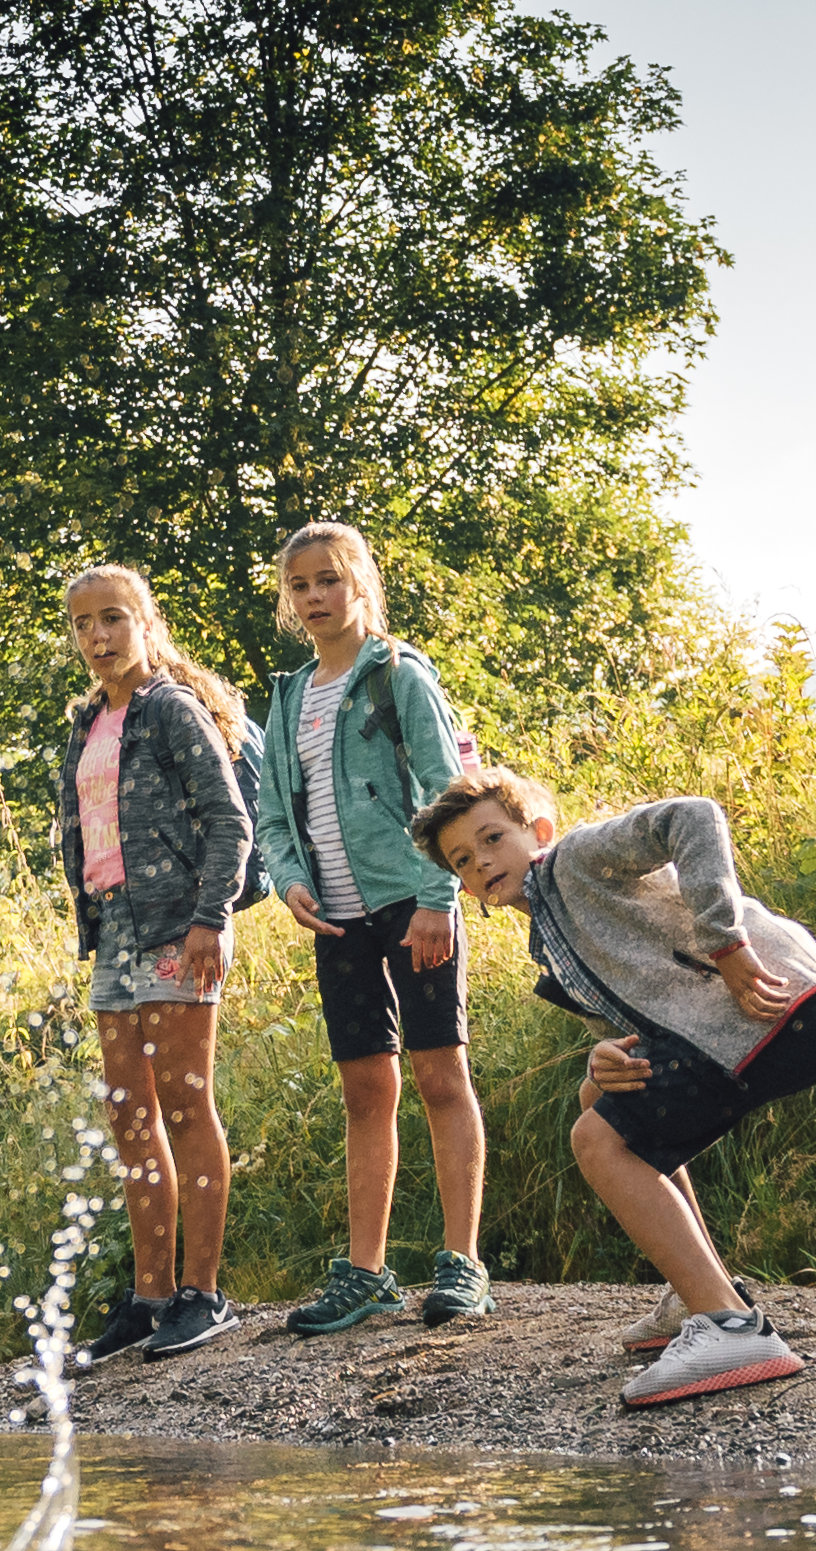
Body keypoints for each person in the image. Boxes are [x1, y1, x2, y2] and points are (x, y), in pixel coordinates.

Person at [412, 767, 816, 1409]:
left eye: (492, 838)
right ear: (462, 886)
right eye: (462, 859)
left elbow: (693, 816)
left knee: (597, 1140)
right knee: (599, 1101)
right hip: (746, 1031)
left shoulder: (575, 861)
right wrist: (604, 1057)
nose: (480, 861)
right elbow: (635, 1027)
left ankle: (732, 1329)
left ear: (538, 832)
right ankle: (699, 1293)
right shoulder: (552, 937)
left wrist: (726, 943)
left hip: (785, 1009)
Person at [253, 520, 489, 1337]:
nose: (314, 597)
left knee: (439, 1075)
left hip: (410, 904)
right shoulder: (288, 696)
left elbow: (449, 793)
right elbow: (272, 814)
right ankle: (365, 1274)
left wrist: (437, 897)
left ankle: (462, 1264)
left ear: (360, 583)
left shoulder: (399, 676)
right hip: (336, 918)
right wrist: (289, 881)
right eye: (299, 586)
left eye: (328, 579)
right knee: (364, 1089)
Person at [53, 564, 263, 1362]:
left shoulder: (171, 708)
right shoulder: (87, 721)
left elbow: (228, 820)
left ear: (144, 623)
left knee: (184, 1105)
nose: (97, 636)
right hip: (113, 933)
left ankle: (202, 1295)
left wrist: (210, 918)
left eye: (112, 618)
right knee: (129, 1116)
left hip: (180, 929)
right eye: (82, 624)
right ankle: (149, 1298)